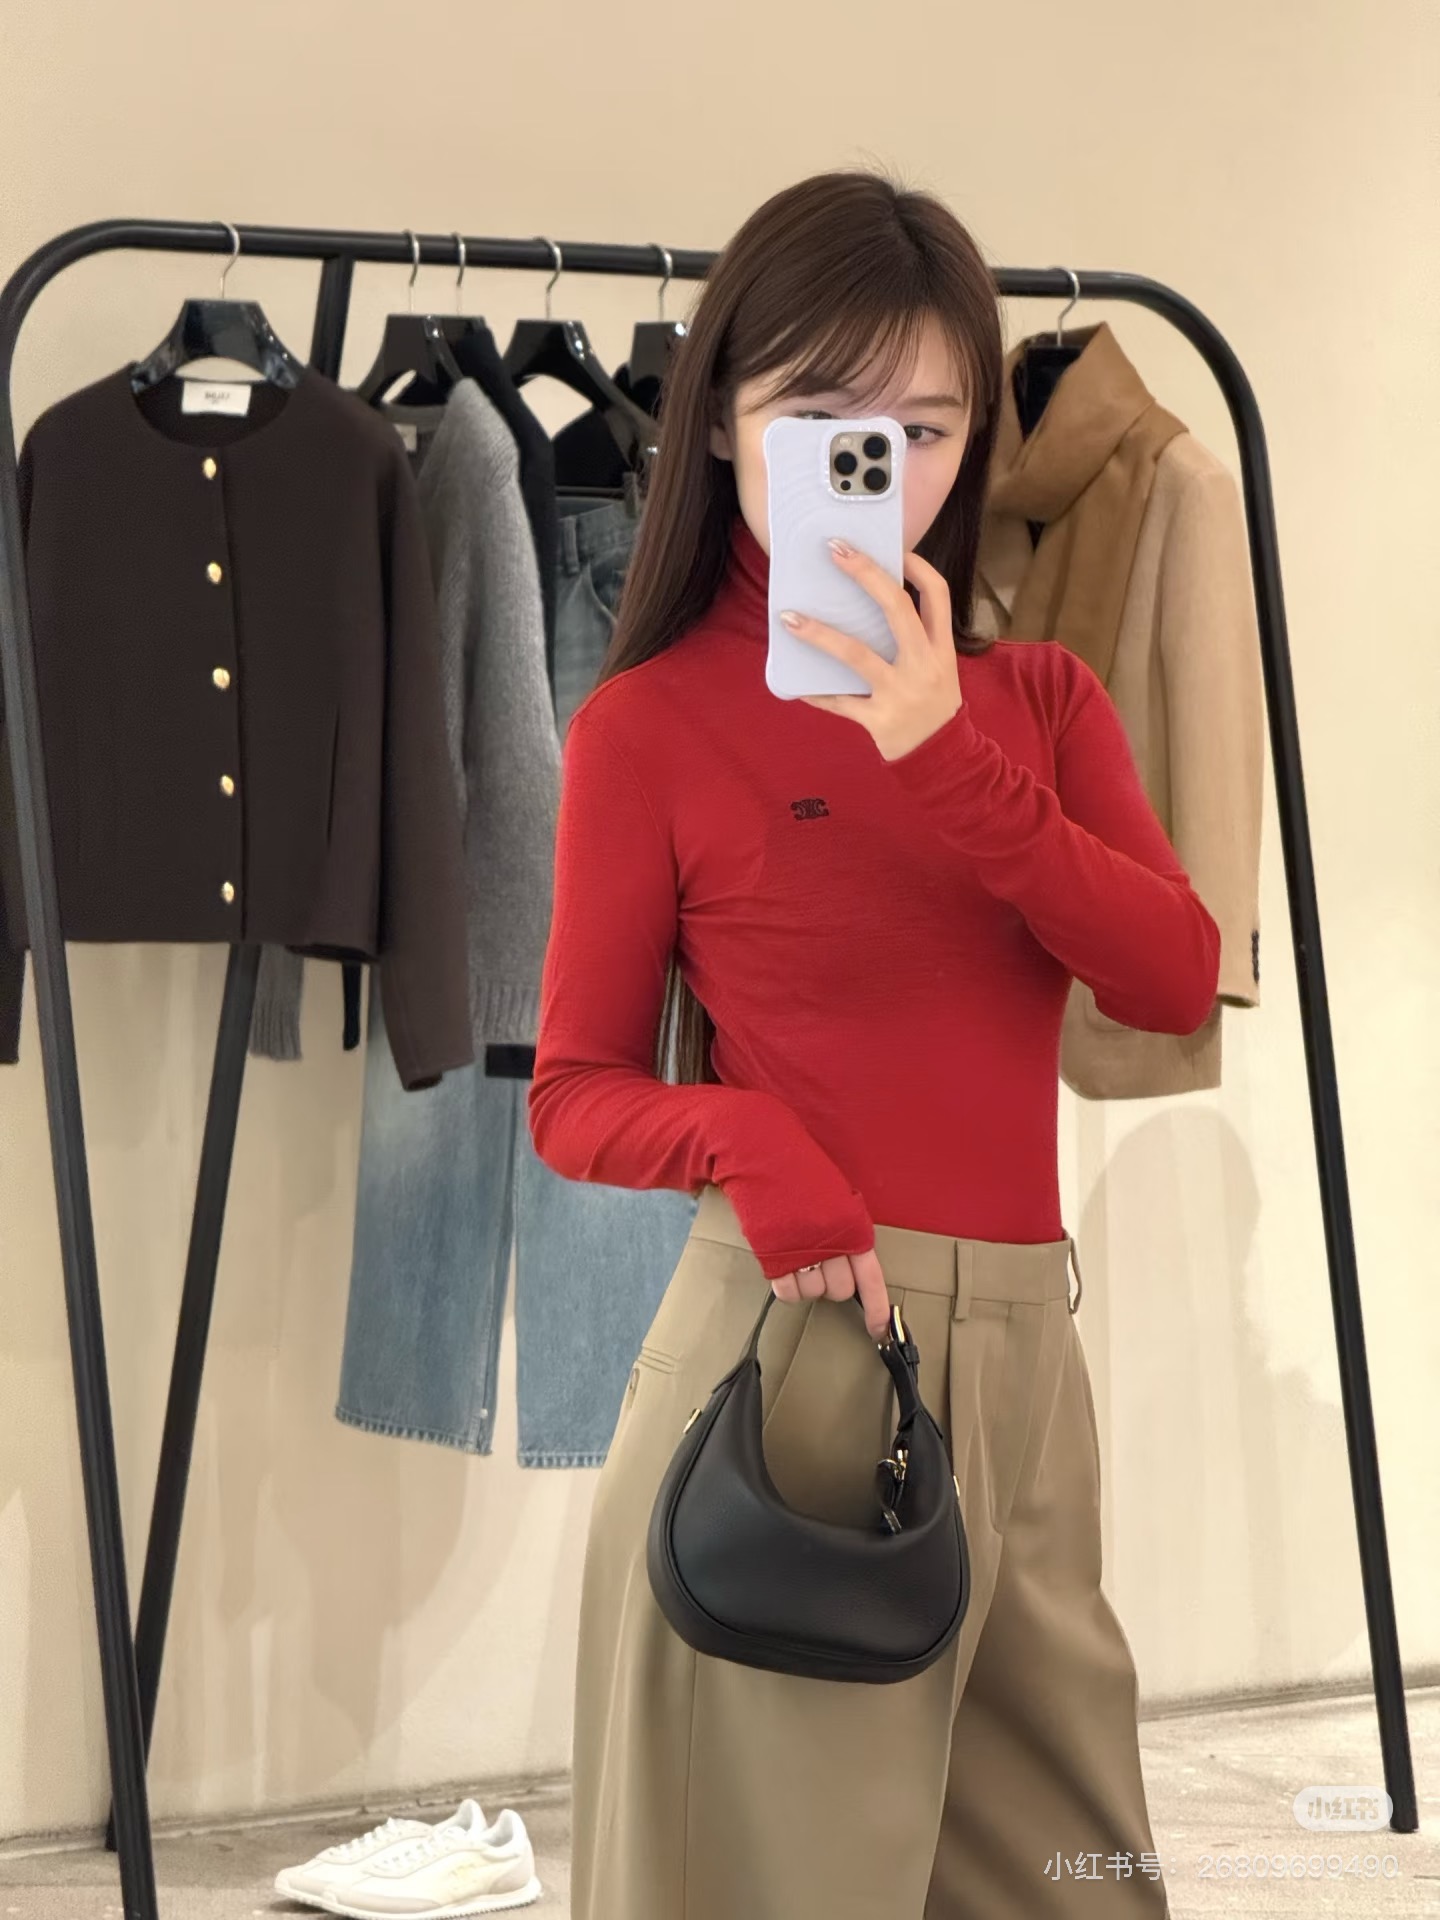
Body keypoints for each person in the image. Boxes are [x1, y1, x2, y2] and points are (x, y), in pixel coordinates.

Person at [527, 168, 1215, 1919]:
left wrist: (945, 756)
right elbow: (573, 1096)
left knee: (1080, 1872)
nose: (880, 469)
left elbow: (1172, 975)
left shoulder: (1037, 704)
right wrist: (751, 1143)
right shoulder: (648, 728)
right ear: (721, 419)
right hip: (799, 1361)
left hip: (1030, 1371)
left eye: (924, 429)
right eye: (824, 420)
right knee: (774, 1891)